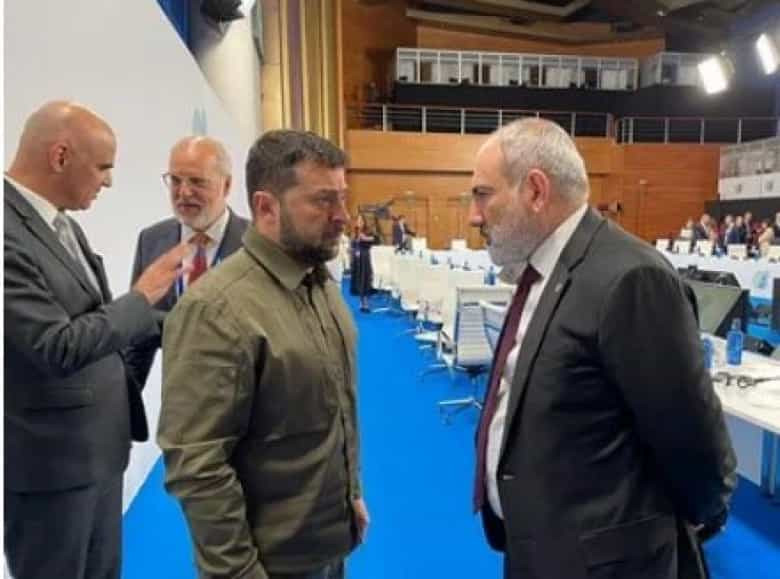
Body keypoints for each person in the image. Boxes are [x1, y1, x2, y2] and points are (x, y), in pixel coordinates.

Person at [468, 118, 736, 579]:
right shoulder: (543, 270)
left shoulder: (629, 277)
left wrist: (684, 523)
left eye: (482, 194)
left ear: (536, 191)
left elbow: (693, 440)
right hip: (538, 547)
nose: (474, 215)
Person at [158, 129, 369, 579]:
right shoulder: (216, 309)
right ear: (267, 207)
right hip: (269, 563)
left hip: (328, 543)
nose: (343, 216)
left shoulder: (320, 283)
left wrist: (349, 494)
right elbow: (198, 465)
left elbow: (333, 409)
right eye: (323, 201)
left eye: (342, 198)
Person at [4, 101, 189, 579]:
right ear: (60, 157)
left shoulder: (62, 223)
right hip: (51, 468)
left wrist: (189, 323)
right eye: (103, 167)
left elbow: (94, 320)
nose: (108, 182)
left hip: (98, 452)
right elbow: (56, 345)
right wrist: (143, 297)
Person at [124, 136, 248, 387]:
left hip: (243, 396)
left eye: (197, 181)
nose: (184, 192)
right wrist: (126, 402)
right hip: (179, 399)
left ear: (226, 185)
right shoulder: (152, 240)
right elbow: (139, 336)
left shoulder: (256, 244)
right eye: (175, 180)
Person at [349, 213, 378, 312]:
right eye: (358, 220)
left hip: (365, 258)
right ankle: (362, 302)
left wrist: (366, 238)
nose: (359, 222)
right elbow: (353, 245)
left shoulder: (368, 231)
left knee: (365, 279)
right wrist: (352, 249)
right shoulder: (355, 232)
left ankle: (366, 303)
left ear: (364, 221)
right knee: (358, 280)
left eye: (361, 220)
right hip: (357, 259)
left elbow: (376, 239)